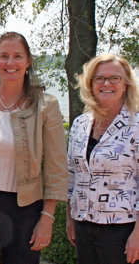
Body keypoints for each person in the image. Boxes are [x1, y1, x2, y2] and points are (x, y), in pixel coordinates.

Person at [0, 32, 68, 263]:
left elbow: (57, 167)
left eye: (18, 56)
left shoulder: (46, 105)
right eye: (4, 56)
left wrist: (47, 218)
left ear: (28, 62)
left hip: (24, 209)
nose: (10, 63)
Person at [66, 54, 139, 264]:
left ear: (126, 84)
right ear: (90, 84)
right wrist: (70, 219)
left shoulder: (136, 126)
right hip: (84, 225)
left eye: (114, 78)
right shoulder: (80, 124)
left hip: (123, 229)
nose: (106, 83)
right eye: (99, 78)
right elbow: (72, 174)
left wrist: (138, 234)